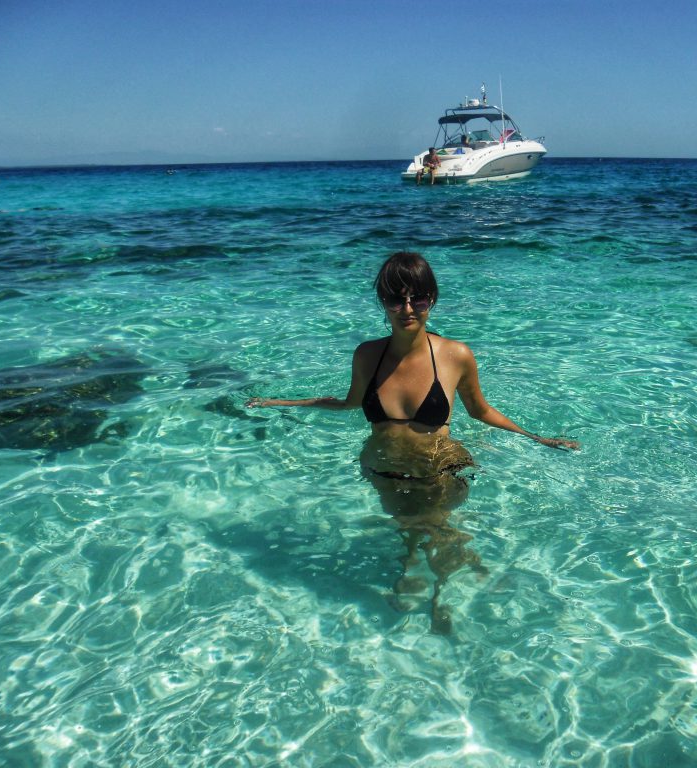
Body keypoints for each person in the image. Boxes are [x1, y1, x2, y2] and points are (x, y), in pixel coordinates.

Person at [247, 252, 578, 632]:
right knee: (407, 528)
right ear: (383, 302)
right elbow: (350, 403)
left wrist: (538, 438)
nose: (407, 309)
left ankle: (442, 596)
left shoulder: (455, 355)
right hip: (384, 467)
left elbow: (481, 410)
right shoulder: (368, 355)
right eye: (396, 299)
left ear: (431, 299)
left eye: (417, 299)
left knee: (438, 532)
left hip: (439, 466)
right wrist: (281, 402)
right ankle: (421, 570)